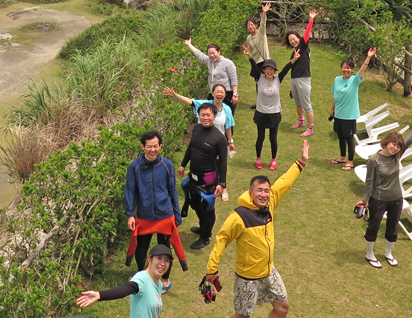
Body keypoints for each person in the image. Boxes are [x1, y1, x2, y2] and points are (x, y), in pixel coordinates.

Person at [203, 139, 309, 318]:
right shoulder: (238, 217)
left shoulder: (270, 204)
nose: (264, 194)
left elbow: (284, 182)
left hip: (269, 272)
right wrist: (211, 269)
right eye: (259, 190)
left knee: (282, 308)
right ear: (250, 192)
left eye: (266, 191)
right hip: (247, 278)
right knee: (243, 316)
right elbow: (221, 240)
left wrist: (301, 162)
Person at [357, 107, 412, 268]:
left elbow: (409, 140)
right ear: (386, 142)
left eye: (398, 146)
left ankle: (388, 253)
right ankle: (370, 254)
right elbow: (369, 182)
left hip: (396, 199)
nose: (395, 148)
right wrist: (364, 201)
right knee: (373, 227)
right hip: (378, 200)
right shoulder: (374, 160)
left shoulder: (396, 156)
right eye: (393, 144)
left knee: (393, 227)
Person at [124, 130, 187, 289]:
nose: (153, 150)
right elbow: (130, 190)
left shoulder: (167, 165)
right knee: (141, 248)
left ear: (160, 146)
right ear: (143, 147)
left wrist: (177, 215)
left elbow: (172, 190)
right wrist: (130, 214)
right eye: (149, 146)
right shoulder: (135, 166)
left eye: (156, 146)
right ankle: (141, 276)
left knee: (165, 250)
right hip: (144, 215)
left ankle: (164, 279)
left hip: (165, 214)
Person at [77, 243, 174, 318]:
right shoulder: (142, 278)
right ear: (149, 259)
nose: (163, 263)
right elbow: (126, 289)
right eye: (159, 258)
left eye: (167, 260)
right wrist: (100, 295)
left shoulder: (159, 284)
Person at [179, 103, 229, 249]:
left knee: (207, 208)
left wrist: (222, 184)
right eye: (202, 115)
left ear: (215, 116)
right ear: (199, 115)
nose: (205, 118)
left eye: (208, 115)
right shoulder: (197, 128)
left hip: (208, 180)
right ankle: (203, 226)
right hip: (193, 176)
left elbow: (223, 162)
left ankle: (205, 236)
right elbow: (191, 148)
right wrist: (183, 164)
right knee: (194, 203)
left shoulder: (219, 138)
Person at [329, 48, 376, 171]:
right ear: (341, 68)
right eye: (344, 67)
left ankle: (350, 161)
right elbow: (335, 95)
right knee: (340, 136)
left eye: (349, 68)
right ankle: (342, 157)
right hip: (338, 113)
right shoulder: (337, 79)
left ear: (352, 70)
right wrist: (332, 109)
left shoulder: (355, 80)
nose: (346, 70)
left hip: (349, 115)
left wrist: (368, 57)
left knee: (349, 138)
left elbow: (362, 70)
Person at [247, 51, 291, 171]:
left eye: (272, 69)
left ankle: (273, 160)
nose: (269, 71)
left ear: (275, 71)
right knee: (260, 137)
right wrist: (250, 57)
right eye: (267, 68)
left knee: (273, 138)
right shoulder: (259, 78)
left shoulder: (278, 79)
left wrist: (293, 61)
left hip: (274, 113)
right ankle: (258, 159)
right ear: (264, 70)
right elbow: (254, 67)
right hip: (261, 113)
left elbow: (286, 70)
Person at [163, 84, 235, 153]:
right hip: (202, 141)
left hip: (217, 143)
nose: (220, 94)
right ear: (212, 94)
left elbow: (228, 127)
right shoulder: (205, 104)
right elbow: (190, 102)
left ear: (225, 95)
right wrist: (175, 95)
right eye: (217, 92)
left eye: (222, 92)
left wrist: (230, 141)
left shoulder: (227, 109)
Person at [183, 38, 239, 121]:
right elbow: (199, 54)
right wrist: (189, 44)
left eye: (213, 53)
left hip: (226, 94)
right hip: (213, 94)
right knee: (211, 116)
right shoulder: (209, 61)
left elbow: (233, 79)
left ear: (219, 52)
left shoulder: (228, 63)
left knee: (226, 118)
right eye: (209, 54)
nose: (212, 55)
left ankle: (227, 134)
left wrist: (235, 94)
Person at [283, 10, 316, 137]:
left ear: (298, 38)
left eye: (294, 39)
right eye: (290, 40)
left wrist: (311, 19)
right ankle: (301, 122)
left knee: (306, 104)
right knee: (297, 102)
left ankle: (310, 128)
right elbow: (292, 64)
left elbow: (307, 33)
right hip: (294, 79)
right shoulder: (294, 51)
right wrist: (294, 59)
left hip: (303, 79)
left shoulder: (303, 46)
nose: (292, 41)